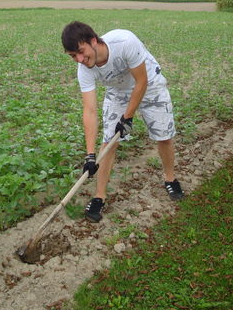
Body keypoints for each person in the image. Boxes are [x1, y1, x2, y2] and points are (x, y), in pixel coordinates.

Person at [61, 21, 184, 223]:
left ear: (93, 41)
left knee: (163, 136)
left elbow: (141, 82)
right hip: (118, 91)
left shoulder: (125, 42)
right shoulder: (84, 69)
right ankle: (99, 196)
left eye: (81, 52)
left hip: (149, 82)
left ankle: (170, 178)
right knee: (109, 142)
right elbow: (89, 111)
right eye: (73, 56)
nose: (80, 59)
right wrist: (90, 156)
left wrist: (127, 117)